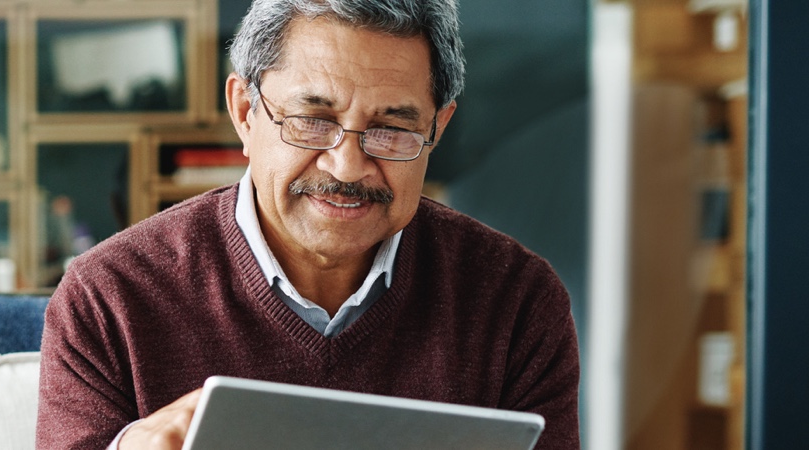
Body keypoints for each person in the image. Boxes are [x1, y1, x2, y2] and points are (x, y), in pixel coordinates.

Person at [35, 0, 581, 448]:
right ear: (245, 111)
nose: (347, 166)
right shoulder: (107, 297)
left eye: (392, 127)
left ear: (438, 127)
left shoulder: (518, 301)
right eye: (314, 121)